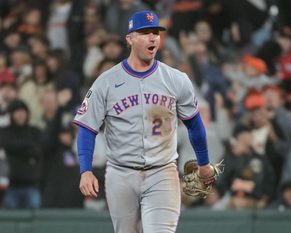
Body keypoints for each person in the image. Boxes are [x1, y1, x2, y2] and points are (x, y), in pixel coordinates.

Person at [73, 10, 215, 233]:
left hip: (162, 171)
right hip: (120, 173)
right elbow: (87, 128)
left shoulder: (176, 79)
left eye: (156, 33)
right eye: (145, 33)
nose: (153, 38)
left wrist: (204, 163)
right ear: (129, 39)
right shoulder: (107, 81)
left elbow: (194, 123)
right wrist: (85, 170)